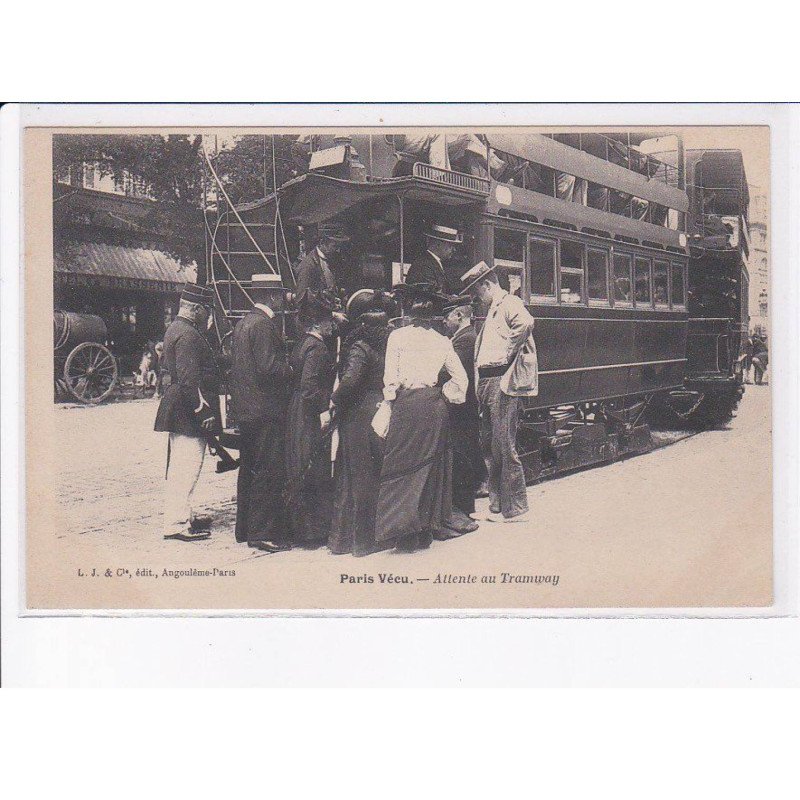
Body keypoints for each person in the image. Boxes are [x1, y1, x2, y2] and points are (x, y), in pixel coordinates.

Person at [374, 285, 468, 552]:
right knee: (429, 467)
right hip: (433, 406)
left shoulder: (397, 337)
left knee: (400, 467)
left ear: (409, 312)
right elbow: (461, 380)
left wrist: (390, 400)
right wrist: (443, 395)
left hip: (407, 406)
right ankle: (425, 529)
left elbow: (390, 379)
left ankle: (402, 534)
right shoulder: (442, 341)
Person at [461, 261, 537, 524]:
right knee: (491, 445)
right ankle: (496, 505)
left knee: (504, 445)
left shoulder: (509, 304)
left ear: (487, 285)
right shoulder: (495, 307)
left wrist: (507, 353)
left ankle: (515, 509)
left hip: (502, 383)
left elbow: (526, 324)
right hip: (489, 383)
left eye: (477, 292)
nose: (475, 299)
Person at [229, 273, 293, 553]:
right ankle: (262, 533)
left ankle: (243, 529)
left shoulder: (243, 323)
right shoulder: (266, 326)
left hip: (246, 409)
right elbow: (269, 368)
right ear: (273, 296)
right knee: (267, 470)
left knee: (248, 468)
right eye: (280, 295)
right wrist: (292, 369)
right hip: (266, 410)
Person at [154, 283, 221, 542]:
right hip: (187, 409)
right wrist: (202, 410)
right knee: (187, 466)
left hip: (178, 407)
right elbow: (188, 380)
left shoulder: (176, 329)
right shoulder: (189, 335)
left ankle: (184, 515)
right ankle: (175, 524)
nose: (208, 315)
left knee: (180, 465)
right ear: (195, 309)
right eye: (206, 310)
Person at [328, 290, 392, 557]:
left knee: (354, 476)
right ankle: (371, 538)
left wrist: (334, 400)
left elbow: (350, 383)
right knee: (373, 474)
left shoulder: (359, 347)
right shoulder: (386, 344)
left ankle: (353, 542)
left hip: (357, 415)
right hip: (378, 412)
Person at [285, 291, 338, 547]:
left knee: (300, 464)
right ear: (318, 323)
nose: (332, 325)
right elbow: (309, 387)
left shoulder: (302, 343)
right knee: (312, 465)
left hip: (297, 409)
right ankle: (312, 532)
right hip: (308, 413)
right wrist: (324, 407)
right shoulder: (317, 348)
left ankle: (302, 528)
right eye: (329, 321)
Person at [442, 300, 485, 533]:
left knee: (463, 449)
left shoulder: (465, 340)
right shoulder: (465, 336)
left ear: (458, 315)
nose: (445, 322)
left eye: (447, 316)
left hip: (462, 406)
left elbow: (449, 371)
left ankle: (466, 502)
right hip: (465, 405)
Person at [294, 224, 351, 296]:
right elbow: (301, 299)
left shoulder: (333, 260)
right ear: (322, 242)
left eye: (339, 246)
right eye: (335, 246)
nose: (338, 250)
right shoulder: (308, 266)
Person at [404, 224, 462, 294]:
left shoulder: (431, 262)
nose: (454, 250)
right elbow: (433, 296)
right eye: (450, 246)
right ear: (438, 244)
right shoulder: (424, 265)